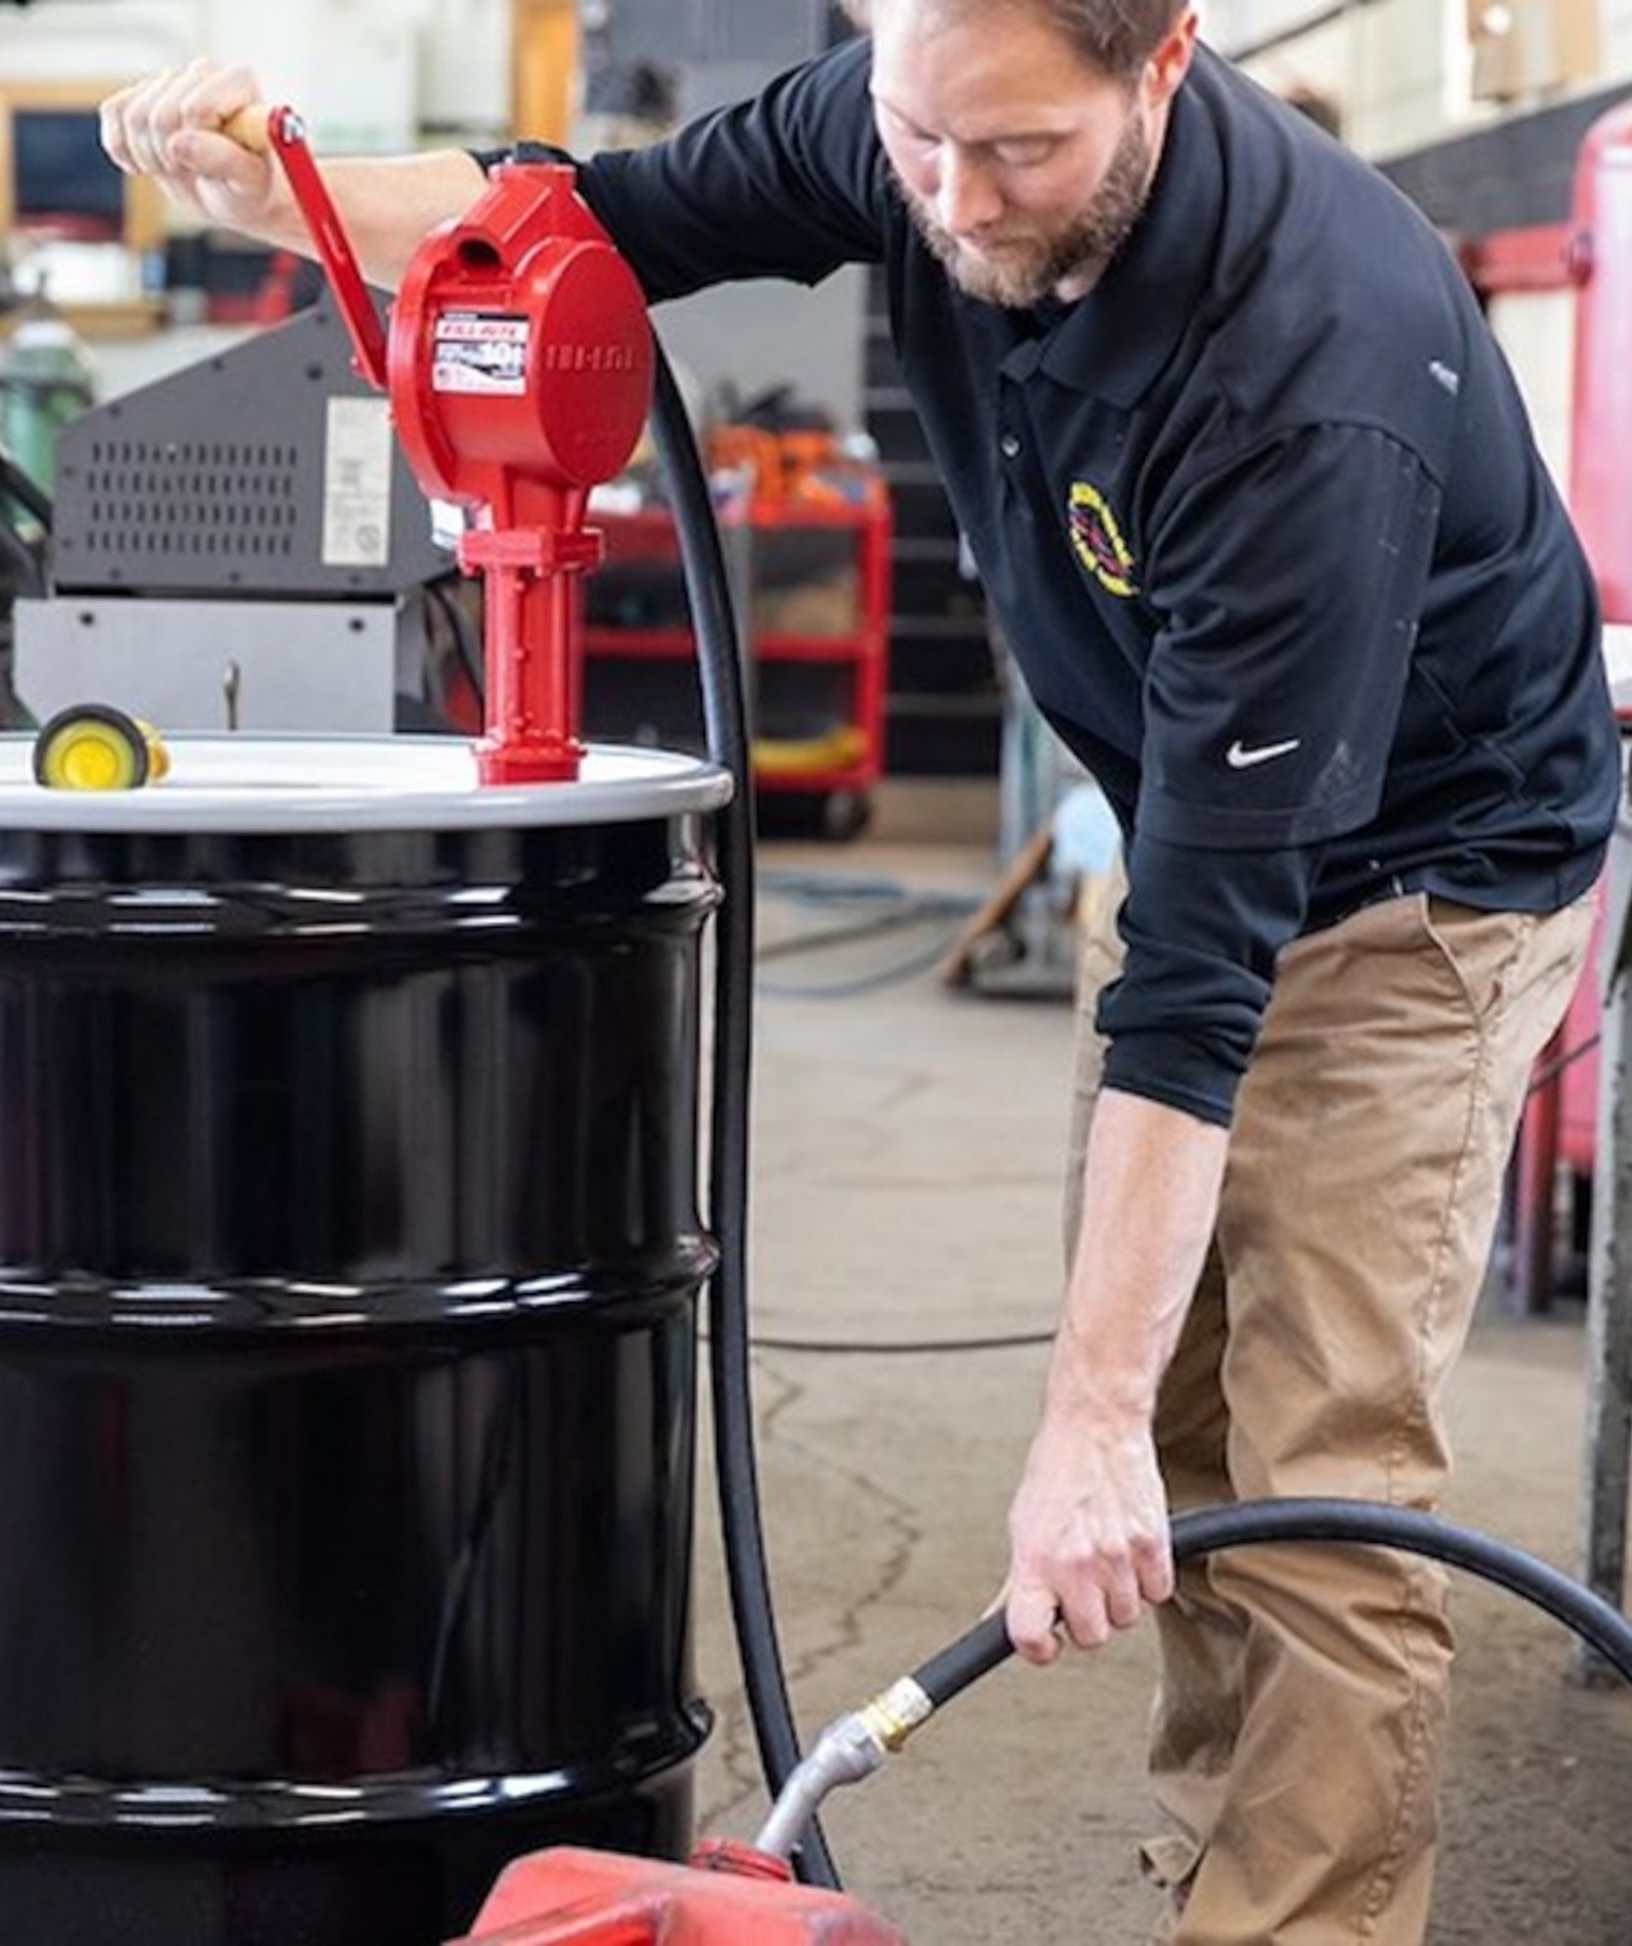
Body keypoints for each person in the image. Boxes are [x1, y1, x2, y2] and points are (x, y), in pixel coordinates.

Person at [102, 5, 1618, 1938]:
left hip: (1418, 885)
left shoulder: (1304, 366)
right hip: (1188, 842)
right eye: (919, 144)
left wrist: (1066, 1419)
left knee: (1312, 1471)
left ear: (1161, 65)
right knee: (1174, 1438)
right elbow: (581, 219)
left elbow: (1200, 979)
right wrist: (291, 195)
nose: (953, 204)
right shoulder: (913, 107)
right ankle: (1222, 1860)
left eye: (1019, 157)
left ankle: (1304, 1920)